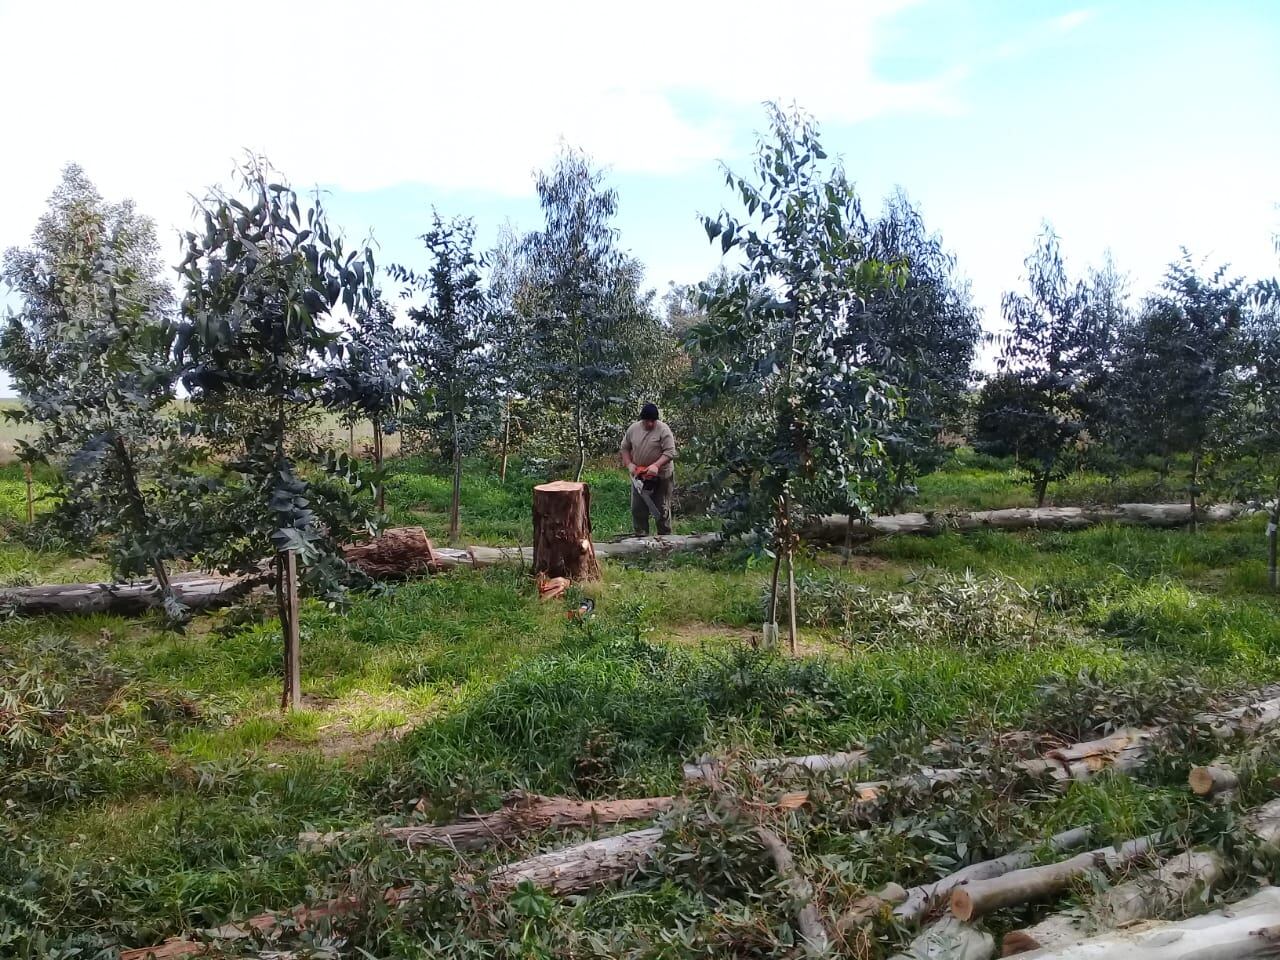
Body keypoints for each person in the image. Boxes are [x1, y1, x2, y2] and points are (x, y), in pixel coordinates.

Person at [620, 402, 677, 536]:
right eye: (647, 421)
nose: (650, 424)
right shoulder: (633, 429)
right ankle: (640, 537)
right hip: (639, 477)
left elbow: (670, 452)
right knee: (638, 509)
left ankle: (665, 538)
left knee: (661, 509)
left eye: (653, 421)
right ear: (642, 419)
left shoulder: (663, 430)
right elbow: (625, 448)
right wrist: (629, 464)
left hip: (661, 477)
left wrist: (656, 465)